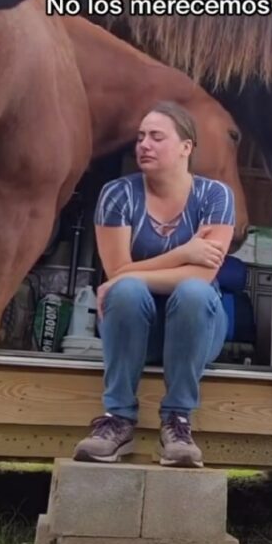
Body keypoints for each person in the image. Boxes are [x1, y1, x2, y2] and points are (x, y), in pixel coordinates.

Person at [73, 100, 235, 467]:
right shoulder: (118, 195)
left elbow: (202, 276)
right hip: (134, 332)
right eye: (141, 136)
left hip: (197, 332)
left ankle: (177, 423)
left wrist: (131, 273)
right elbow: (118, 275)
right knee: (127, 291)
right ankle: (118, 420)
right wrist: (185, 252)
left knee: (194, 292)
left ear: (185, 148)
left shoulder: (215, 196)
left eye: (156, 137)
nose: (143, 144)